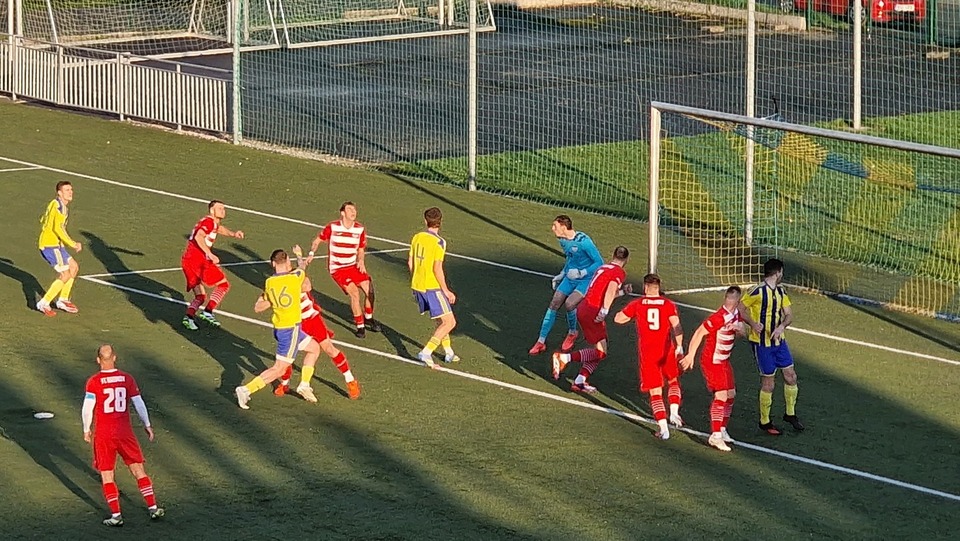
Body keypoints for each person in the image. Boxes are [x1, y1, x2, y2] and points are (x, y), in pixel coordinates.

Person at [81, 344, 164, 526]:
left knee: (107, 475)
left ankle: (116, 516)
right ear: (114, 357)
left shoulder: (94, 381)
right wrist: (147, 424)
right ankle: (153, 507)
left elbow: (87, 409)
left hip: (104, 434)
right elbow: (139, 403)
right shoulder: (126, 378)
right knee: (138, 470)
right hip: (124, 432)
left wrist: (86, 429)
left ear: (98, 360)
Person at [235, 249, 323, 409]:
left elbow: (258, 307)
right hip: (290, 330)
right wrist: (299, 256)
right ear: (287, 261)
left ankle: (304, 385)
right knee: (279, 369)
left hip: (281, 328)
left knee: (314, 348)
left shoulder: (269, 283)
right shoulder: (294, 278)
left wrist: (276, 300)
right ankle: (246, 390)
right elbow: (302, 268)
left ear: (273, 264)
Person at [274, 245, 361, 400]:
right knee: (288, 356)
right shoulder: (275, 282)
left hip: (312, 320)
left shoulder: (295, 275)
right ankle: (285, 384)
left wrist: (299, 257)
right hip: (296, 323)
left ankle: (350, 380)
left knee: (329, 349)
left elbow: (307, 284)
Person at [552, 246, 632, 393]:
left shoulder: (603, 268)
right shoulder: (618, 272)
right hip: (592, 311)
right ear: (627, 259)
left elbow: (603, 292)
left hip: (585, 307)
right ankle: (564, 358)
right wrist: (604, 310)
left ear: (613, 255)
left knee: (600, 349)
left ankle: (580, 380)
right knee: (601, 352)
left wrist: (622, 292)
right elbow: (610, 290)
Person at [614, 274, 685, 440]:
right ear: (658, 288)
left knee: (655, 391)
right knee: (673, 380)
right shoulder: (668, 304)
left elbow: (618, 319)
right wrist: (679, 346)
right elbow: (677, 326)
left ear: (645, 287)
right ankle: (674, 412)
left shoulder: (638, 304)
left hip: (648, 353)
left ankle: (664, 430)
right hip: (667, 349)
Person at [740, 258, 804, 435]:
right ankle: (765, 422)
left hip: (779, 342)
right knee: (768, 383)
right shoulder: (757, 291)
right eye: (781, 272)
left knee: (791, 376)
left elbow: (789, 314)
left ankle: (790, 414)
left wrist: (782, 326)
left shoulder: (781, 291)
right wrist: (753, 324)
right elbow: (740, 308)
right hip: (762, 344)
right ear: (778, 273)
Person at [680, 286, 745, 452]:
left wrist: (738, 330)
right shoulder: (719, 317)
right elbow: (699, 333)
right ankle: (715, 436)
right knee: (721, 395)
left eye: (732, 300)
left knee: (731, 394)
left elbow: (742, 332)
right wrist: (690, 355)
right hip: (712, 361)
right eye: (728, 299)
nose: (730, 302)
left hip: (724, 361)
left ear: (737, 301)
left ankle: (722, 429)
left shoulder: (736, 314)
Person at [529, 215, 604, 355]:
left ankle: (572, 333)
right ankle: (541, 341)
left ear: (563, 227)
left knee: (570, 304)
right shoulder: (563, 241)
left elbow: (599, 262)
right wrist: (562, 273)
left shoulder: (584, 242)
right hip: (570, 277)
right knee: (554, 302)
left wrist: (582, 272)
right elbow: (570, 257)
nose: (552, 229)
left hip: (585, 279)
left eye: (555, 226)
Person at [308, 202, 381, 338]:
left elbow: (361, 248)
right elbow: (317, 240)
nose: (353, 212)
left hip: (353, 266)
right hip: (338, 269)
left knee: (369, 290)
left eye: (354, 209)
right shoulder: (333, 227)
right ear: (342, 213)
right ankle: (360, 326)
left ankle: (368, 317)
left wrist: (361, 260)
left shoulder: (359, 229)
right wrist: (311, 253)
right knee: (354, 293)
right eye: (349, 209)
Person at [180, 200, 245, 330]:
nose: (223, 211)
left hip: (188, 260)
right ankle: (208, 311)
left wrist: (233, 234)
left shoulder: (211, 223)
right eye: (219, 208)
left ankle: (189, 317)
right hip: (198, 261)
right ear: (211, 210)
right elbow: (199, 237)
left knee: (200, 296)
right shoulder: (209, 222)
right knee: (223, 285)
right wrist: (209, 253)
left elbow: (218, 228)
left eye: (224, 208)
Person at [408, 207, 457, 368]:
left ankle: (448, 352)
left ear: (425, 221)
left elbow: (410, 263)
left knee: (440, 319)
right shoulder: (439, 242)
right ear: (440, 222)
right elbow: (437, 268)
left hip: (418, 285)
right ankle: (426, 352)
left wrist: (416, 279)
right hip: (432, 287)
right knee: (450, 322)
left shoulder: (417, 237)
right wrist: (446, 290)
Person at [37, 181, 82, 316]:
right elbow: (58, 228)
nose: (70, 192)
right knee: (65, 274)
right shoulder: (59, 207)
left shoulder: (56, 204)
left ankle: (63, 300)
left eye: (71, 189)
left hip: (57, 244)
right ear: (59, 193)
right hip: (50, 246)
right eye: (67, 190)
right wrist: (72, 244)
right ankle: (44, 303)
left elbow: (43, 219)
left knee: (73, 267)